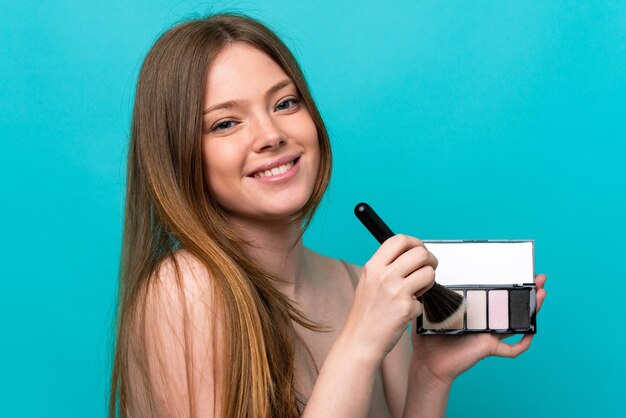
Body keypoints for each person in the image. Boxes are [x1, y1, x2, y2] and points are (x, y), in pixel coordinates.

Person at [108, 13, 547, 418]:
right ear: (179, 156)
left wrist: (429, 378)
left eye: (284, 103)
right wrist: (359, 343)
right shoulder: (184, 290)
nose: (271, 135)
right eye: (225, 123)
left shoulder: (363, 286)